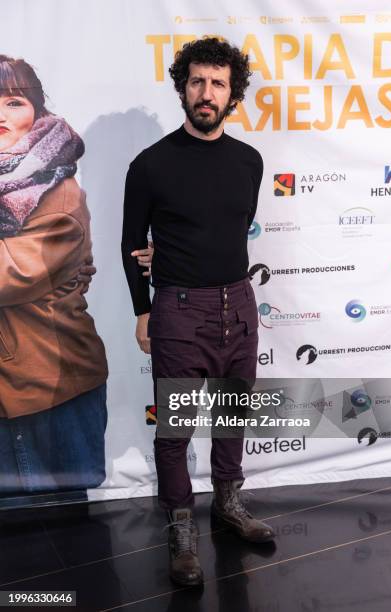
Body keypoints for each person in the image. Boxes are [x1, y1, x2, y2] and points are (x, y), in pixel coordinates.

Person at [122, 38, 274, 586]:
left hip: (239, 304)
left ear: (232, 94)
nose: (206, 93)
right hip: (179, 310)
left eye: (217, 83)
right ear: (182, 87)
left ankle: (229, 504)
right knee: (177, 427)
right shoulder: (151, 164)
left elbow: (228, 228)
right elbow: (129, 242)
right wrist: (143, 311)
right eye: (197, 82)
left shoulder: (249, 161)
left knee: (233, 416)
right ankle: (181, 526)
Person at [0, 55, 108, 498]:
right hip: (16, 389)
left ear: (38, 112)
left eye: (13, 103)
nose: (0, 117)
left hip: (44, 391)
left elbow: (8, 275)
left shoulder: (56, 191)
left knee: (60, 543)